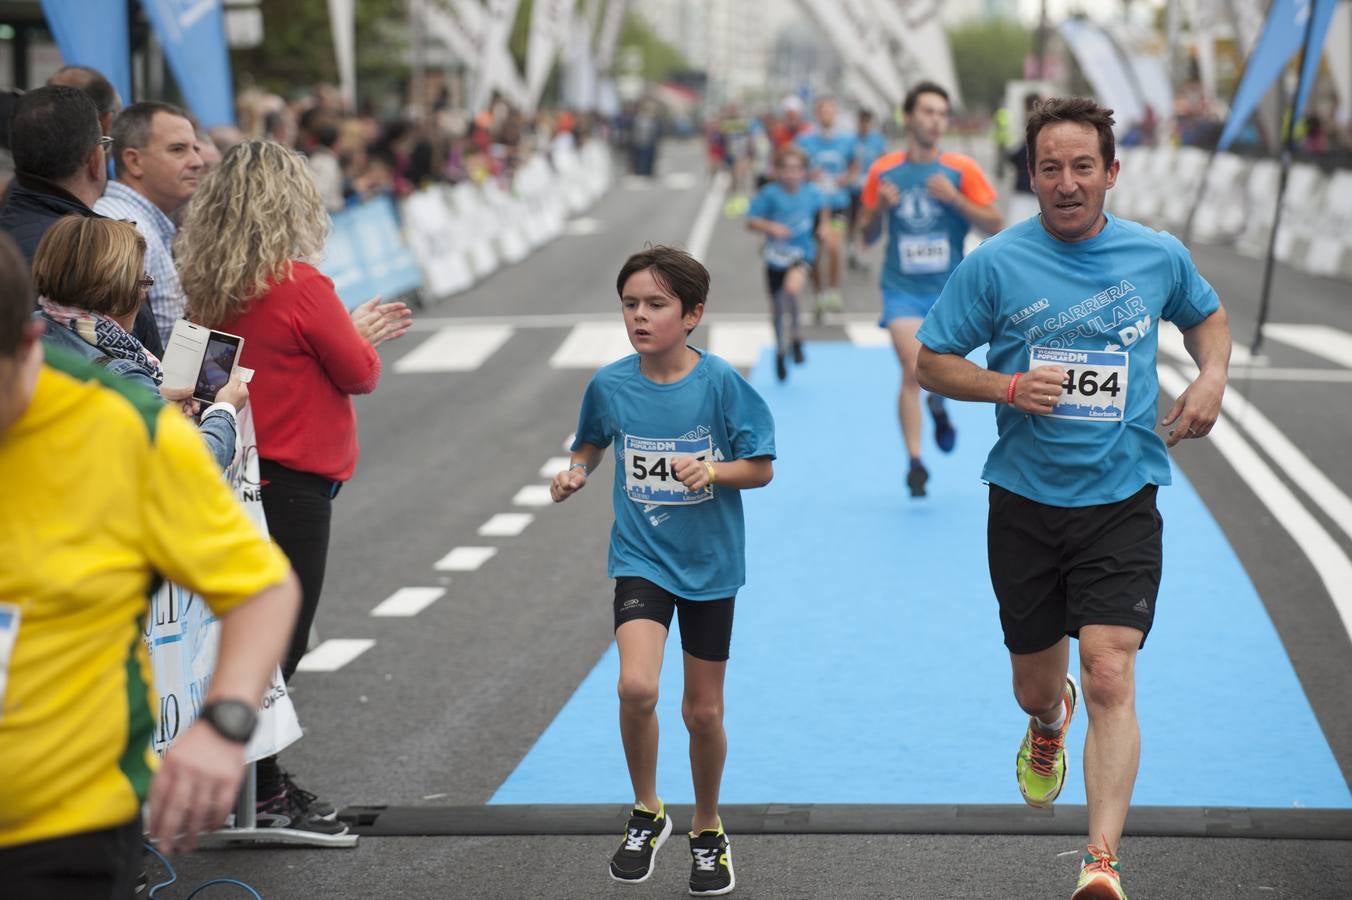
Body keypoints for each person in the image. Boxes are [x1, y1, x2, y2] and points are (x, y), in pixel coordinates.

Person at [915, 97, 1231, 900]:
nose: (1066, 182)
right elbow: (932, 363)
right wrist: (1008, 385)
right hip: (1024, 499)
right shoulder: (995, 264)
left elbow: (1209, 318)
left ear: (1112, 173)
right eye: (1050, 167)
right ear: (1031, 176)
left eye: (1082, 166)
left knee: (1110, 672)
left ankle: (1100, 860)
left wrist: (1213, 374)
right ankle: (1046, 722)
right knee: (1037, 683)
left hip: (1122, 496)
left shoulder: (1155, 256)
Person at [0, 229, 302, 896]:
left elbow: (262, 589)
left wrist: (223, 726)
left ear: (28, 346)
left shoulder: (124, 426)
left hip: (60, 825)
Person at [176, 140, 411, 835]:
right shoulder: (302, 284)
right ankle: (263, 785)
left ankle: (246, 779)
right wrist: (360, 335)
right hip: (293, 479)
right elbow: (358, 372)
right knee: (284, 634)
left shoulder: (206, 284)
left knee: (237, 629)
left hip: (230, 472)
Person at [551, 246, 775, 896]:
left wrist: (713, 469)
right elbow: (591, 441)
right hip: (641, 558)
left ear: (692, 314)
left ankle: (707, 827)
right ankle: (648, 809)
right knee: (636, 689)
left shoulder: (722, 385)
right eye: (630, 304)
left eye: (655, 305)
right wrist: (577, 471)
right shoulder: (612, 384)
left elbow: (760, 467)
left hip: (710, 566)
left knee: (702, 714)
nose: (640, 317)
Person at [858, 81, 1003, 498]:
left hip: (950, 293)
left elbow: (995, 223)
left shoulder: (961, 170)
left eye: (942, 113)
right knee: (911, 370)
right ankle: (916, 462)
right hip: (900, 289)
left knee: (931, 372)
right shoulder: (883, 171)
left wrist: (956, 200)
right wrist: (878, 210)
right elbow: (863, 237)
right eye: (927, 111)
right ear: (908, 117)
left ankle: (937, 404)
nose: (935, 120)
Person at [31, 216, 243, 469]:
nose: (144, 294)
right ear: (118, 291)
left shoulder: (29, 334)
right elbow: (193, 465)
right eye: (142, 282)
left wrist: (152, 399)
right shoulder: (122, 375)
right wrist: (223, 409)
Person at [43, 68, 164, 356]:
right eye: (141, 280)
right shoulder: (124, 368)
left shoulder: (41, 331)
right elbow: (143, 398)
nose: (195, 162)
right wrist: (224, 403)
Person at [94, 102, 205, 346]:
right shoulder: (119, 226)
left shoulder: (143, 223)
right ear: (134, 161)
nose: (197, 161)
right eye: (178, 149)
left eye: (196, 149)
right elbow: (112, 342)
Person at [745, 144, 828, 380]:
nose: (792, 174)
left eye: (797, 169)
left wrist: (822, 226)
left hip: (802, 254)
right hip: (775, 257)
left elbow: (823, 209)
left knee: (791, 291)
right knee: (778, 308)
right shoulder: (769, 194)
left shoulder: (811, 192)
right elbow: (750, 221)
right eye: (787, 169)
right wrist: (771, 227)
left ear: (804, 172)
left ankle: (798, 336)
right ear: (777, 171)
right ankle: (781, 350)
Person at [794, 97, 856, 319]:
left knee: (834, 246)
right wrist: (808, 176)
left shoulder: (847, 139)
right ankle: (819, 294)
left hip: (837, 202)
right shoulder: (805, 140)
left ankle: (834, 292)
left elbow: (855, 163)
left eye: (831, 111)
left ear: (835, 114)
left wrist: (846, 178)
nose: (827, 115)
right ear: (817, 115)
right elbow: (796, 167)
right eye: (823, 112)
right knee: (815, 253)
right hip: (813, 205)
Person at [847, 107, 887, 270]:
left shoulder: (877, 141)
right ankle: (852, 249)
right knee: (853, 221)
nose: (863, 126)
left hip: (871, 190)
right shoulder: (851, 141)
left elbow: (883, 161)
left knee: (867, 221)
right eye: (861, 122)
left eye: (866, 122)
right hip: (854, 189)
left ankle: (863, 251)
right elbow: (848, 163)